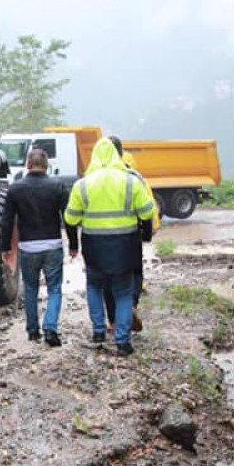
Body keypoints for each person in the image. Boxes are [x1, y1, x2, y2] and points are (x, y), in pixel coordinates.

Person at [63, 138, 156, 356]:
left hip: (94, 247)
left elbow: (70, 218)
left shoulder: (82, 185)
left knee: (95, 286)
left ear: (94, 156)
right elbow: (147, 213)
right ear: (117, 155)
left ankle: (98, 331)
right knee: (123, 292)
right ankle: (123, 341)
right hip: (125, 246)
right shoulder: (131, 182)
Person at [0, 147, 76, 346]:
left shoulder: (15, 189)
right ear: (46, 165)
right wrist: (74, 243)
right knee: (55, 289)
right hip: (52, 246)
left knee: (31, 289)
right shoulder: (57, 186)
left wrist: (5, 246)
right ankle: (50, 328)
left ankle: (33, 331)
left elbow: (7, 220)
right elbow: (68, 218)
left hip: (28, 248)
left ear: (27, 165)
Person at [101, 137, 159, 333]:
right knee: (134, 273)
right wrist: (147, 235)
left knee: (107, 278)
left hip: (101, 237)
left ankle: (113, 321)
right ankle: (131, 306)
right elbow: (147, 208)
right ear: (121, 152)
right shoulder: (134, 176)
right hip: (130, 236)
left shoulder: (93, 176)